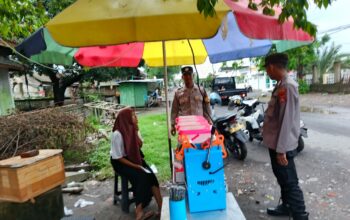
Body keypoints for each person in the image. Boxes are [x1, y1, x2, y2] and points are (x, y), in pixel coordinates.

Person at [263, 53, 309, 220]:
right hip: (276, 144)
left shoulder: (287, 86)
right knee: (283, 178)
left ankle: (300, 215)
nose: (267, 72)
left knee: (290, 182)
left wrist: (281, 150)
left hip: (282, 146)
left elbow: (287, 120)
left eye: (267, 69)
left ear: (272, 67)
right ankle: (287, 206)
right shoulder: (281, 84)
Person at [110, 108, 162, 220]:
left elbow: (140, 145)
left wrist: (135, 132)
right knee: (141, 177)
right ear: (126, 119)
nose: (136, 118)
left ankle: (161, 207)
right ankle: (139, 213)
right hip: (120, 161)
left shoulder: (133, 128)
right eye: (133, 116)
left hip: (134, 156)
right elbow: (118, 157)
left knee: (151, 176)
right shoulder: (117, 134)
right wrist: (137, 166)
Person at [170, 66, 212, 135]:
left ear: (193, 75)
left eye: (189, 74)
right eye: (185, 75)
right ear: (182, 77)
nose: (188, 77)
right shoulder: (178, 93)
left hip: (200, 126)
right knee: (184, 145)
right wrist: (172, 125)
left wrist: (209, 121)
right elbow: (174, 110)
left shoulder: (201, 90)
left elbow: (206, 108)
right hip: (185, 128)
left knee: (200, 145)